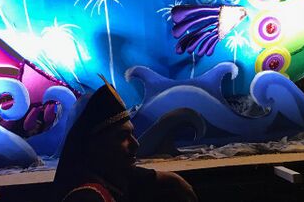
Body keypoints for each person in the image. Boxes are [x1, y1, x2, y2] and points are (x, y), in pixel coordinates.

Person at [53, 79, 197, 202]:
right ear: (96, 145)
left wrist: (171, 179)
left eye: (132, 134)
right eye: (122, 136)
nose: (136, 144)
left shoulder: (106, 177)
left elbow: (133, 175)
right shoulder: (87, 197)